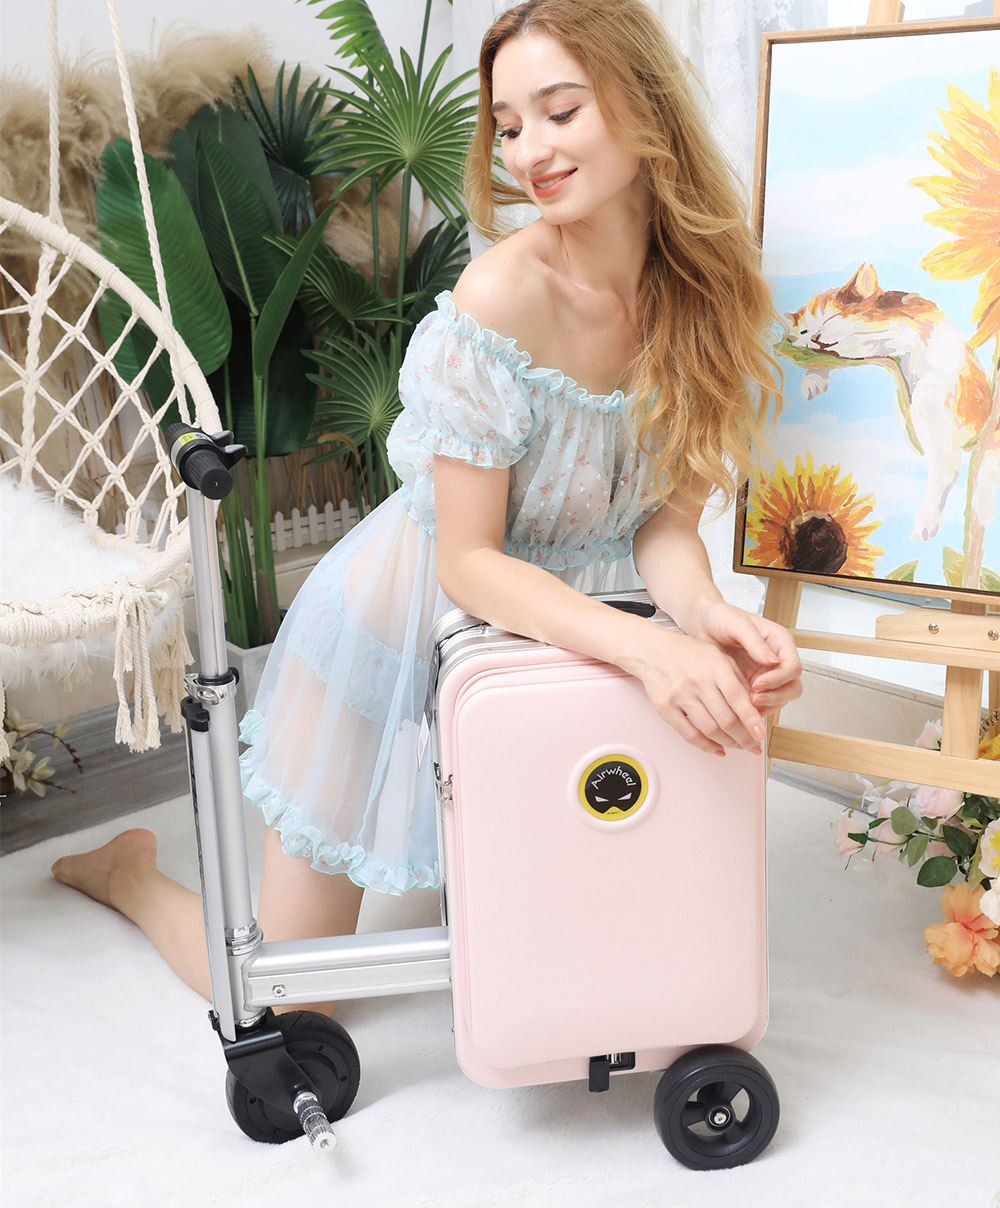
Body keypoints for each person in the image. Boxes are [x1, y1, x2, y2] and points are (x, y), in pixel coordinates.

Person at [52, 0, 802, 1015]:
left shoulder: (709, 292)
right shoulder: (500, 300)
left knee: (577, 915)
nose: (529, 152)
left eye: (560, 112)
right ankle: (131, 876)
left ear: (645, 105)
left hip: (550, 636)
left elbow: (663, 524)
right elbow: (469, 561)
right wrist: (646, 648)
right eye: (508, 125)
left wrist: (707, 615)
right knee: (289, 1002)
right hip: (402, 617)